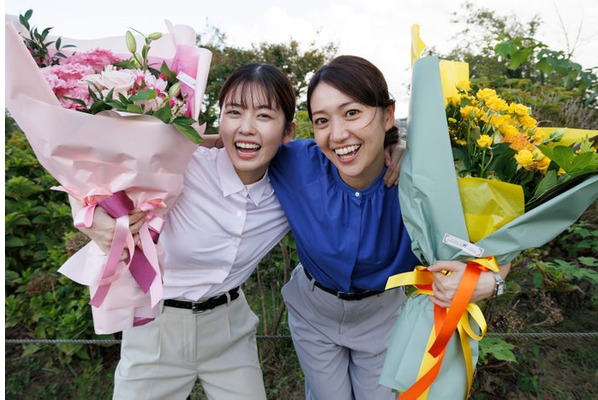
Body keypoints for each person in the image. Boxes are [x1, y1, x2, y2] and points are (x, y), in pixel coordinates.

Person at [267, 55, 510, 400]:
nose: (337, 134)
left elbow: (498, 245)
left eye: (352, 113)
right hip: (313, 311)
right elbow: (237, 147)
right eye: (322, 120)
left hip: (382, 315)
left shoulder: (423, 184)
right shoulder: (296, 164)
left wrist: (491, 280)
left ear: (387, 115)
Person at [71, 63, 296, 400]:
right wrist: (90, 221)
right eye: (234, 112)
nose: (246, 128)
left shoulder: (294, 189)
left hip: (230, 332)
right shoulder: (182, 165)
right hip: (157, 328)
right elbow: (85, 174)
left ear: (288, 131)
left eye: (264, 116)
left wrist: (394, 148)